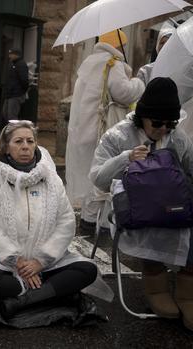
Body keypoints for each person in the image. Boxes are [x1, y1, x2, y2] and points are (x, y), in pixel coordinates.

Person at [89, 77, 193, 333]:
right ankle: (156, 285)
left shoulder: (175, 135)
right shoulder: (118, 135)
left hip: (173, 201)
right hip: (132, 205)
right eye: (157, 123)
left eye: (170, 123)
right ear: (142, 117)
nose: (164, 129)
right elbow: (97, 177)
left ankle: (188, 295)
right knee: (153, 215)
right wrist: (126, 158)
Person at [0, 121, 98, 320]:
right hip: (2, 263)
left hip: (45, 263)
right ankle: (46, 292)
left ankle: (22, 300)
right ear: (5, 147)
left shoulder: (51, 179)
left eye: (30, 141)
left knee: (88, 270)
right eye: (18, 141)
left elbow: (66, 221)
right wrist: (18, 262)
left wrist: (40, 261)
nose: (25, 146)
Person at [65, 29, 145, 235]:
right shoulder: (114, 64)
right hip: (105, 129)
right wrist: (138, 81)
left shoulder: (89, 63)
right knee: (104, 174)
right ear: (119, 46)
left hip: (86, 130)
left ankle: (88, 219)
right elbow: (124, 93)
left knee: (92, 173)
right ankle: (95, 223)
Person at [1, 48, 29, 123]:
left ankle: (15, 132)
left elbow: (24, 80)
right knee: (5, 114)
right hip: (9, 94)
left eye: (11, 54)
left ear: (16, 55)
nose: (9, 56)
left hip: (16, 94)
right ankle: (10, 131)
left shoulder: (21, 64)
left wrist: (21, 92)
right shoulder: (12, 64)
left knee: (12, 116)